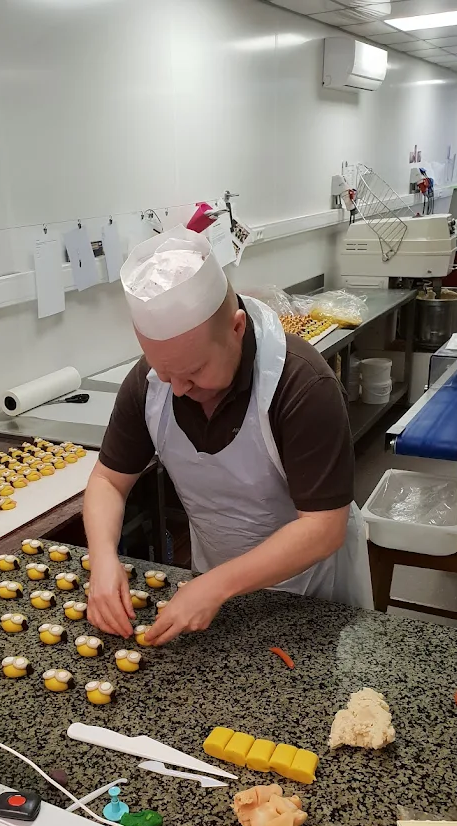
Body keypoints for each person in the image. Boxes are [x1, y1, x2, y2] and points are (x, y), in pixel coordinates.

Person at [83, 225, 372, 645]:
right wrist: (103, 560)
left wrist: (217, 585)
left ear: (237, 328)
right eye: (165, 372)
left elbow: (323, 528)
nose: (177, 388)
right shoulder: (149, 385)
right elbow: (109, 480)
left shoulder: (301, 385)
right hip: (216, 592)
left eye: (194, 371)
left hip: (313, 593)